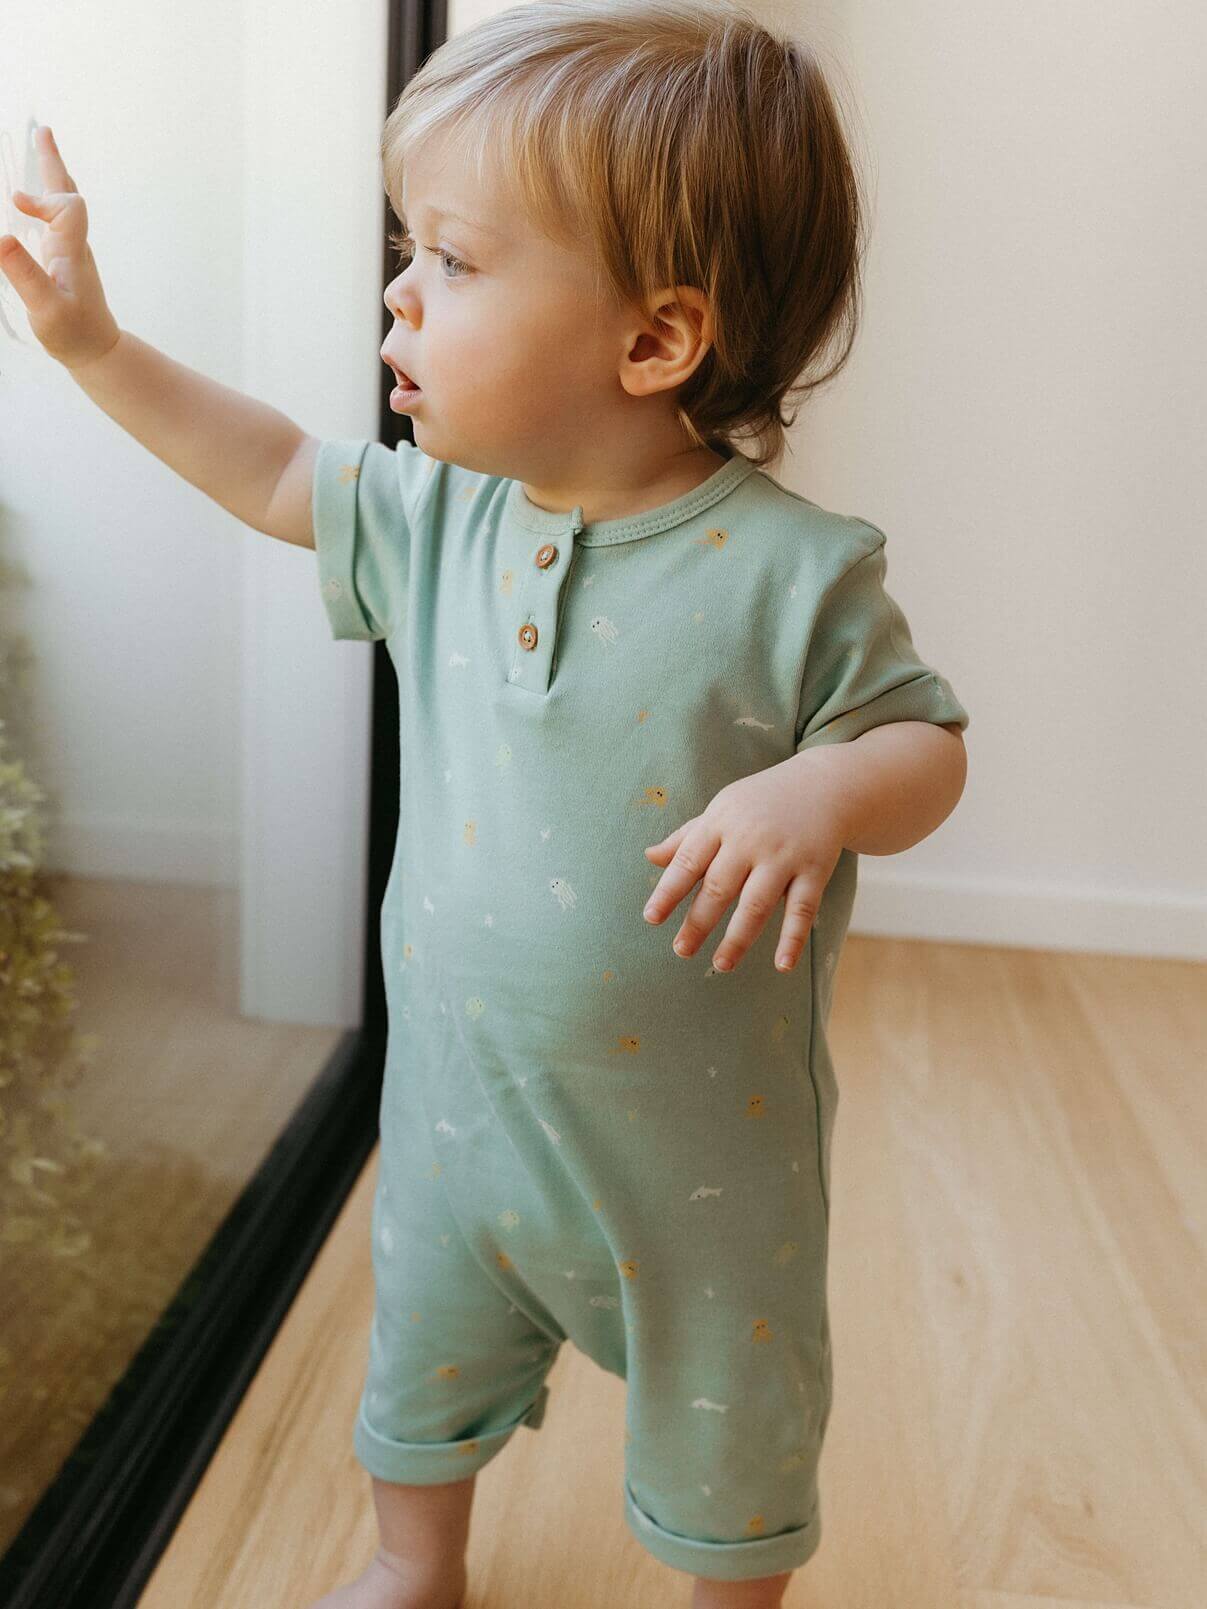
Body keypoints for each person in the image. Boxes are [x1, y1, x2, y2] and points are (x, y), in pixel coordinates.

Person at [0, 5, 970, 1606]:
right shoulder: (438, 522)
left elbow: (925, 748)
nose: (398, 288)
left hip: (703, 1168)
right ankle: (410, 1564)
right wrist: (97, 346)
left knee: (730, 1421)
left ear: (653, 342)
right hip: (459, 1126)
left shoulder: (799, 574)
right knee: (417, 1370)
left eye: (452, 259)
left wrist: (820, 789)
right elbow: (262, 470)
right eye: (408, 246)